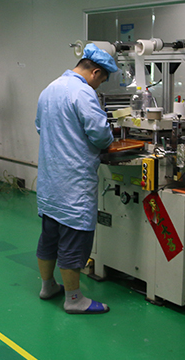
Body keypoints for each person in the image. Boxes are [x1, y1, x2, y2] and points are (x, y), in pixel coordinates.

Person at [34, 43, 118, 314]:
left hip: (50, 181)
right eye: (101, 81)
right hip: (74, 183)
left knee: (49, 238)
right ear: (95, 72)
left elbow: (40, 126)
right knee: (73, 240)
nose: (98, 86)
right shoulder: (82, 92)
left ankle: (48, 286)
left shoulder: (50, 89)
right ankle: (74, 300)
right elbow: (101, 135)